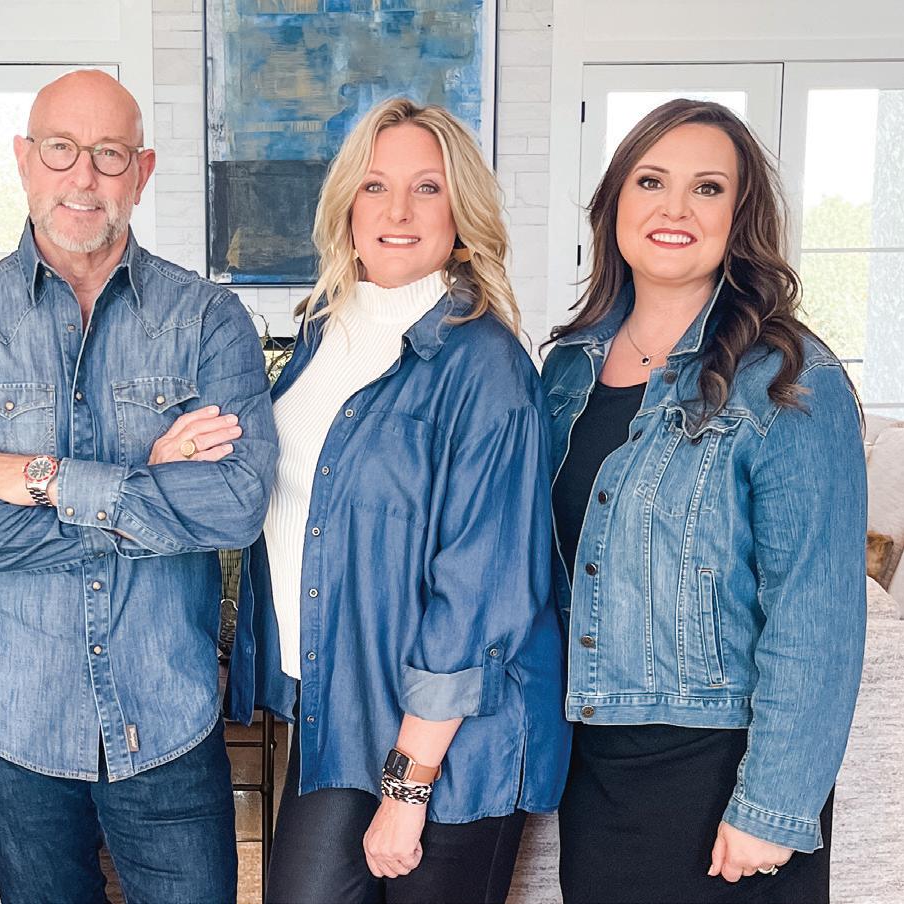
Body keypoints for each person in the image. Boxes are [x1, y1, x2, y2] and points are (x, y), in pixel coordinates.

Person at [0, 70, 277, 904]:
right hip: (11, 721)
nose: (83, 176)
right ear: (24, 159)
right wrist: (148, 492)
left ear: (142, 170)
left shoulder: (209, 319)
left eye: (108, 154)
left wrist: (41, 477)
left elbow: (235, 507)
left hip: (168, 714)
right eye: (61, 149)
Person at [227, 97, 571, 904]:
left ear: (461, 213)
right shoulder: (321, 334)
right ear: (346, 203)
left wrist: (408, 786)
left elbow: (480, 592)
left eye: (427, 188)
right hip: (342, 706)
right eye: (375, 186)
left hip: (455, 740)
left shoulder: (485, 366)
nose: (397, 211)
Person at [543, 99, 866, 903]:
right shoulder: (564, 370)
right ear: (615, 203)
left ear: (739, 217)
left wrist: (772, 806)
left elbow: (815, 611)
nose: (675, 208)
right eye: (651, 181)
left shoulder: (789, 380)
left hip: (720, 772)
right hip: (594, 766)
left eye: (708, 188)